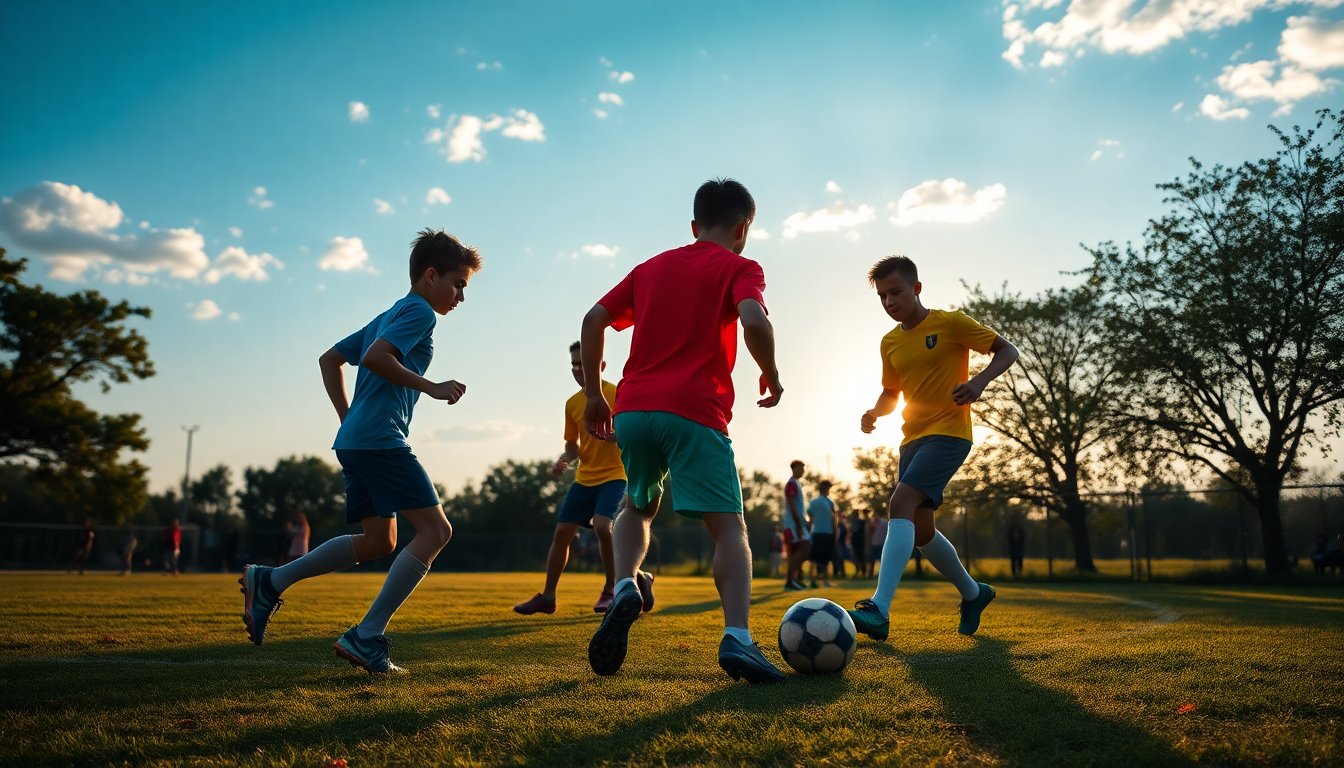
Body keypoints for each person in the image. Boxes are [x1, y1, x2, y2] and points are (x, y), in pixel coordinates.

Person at [238, 228, 480, 674]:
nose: (461, 296)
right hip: (380, 440)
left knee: (379, 541)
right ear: (431, 275)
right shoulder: (420, 313)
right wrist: (431, 386)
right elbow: (373, 360)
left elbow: (329, 358)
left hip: (356, 441)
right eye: (459, 283)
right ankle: (366, 637)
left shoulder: (386, 315)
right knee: (436, 531)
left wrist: (347, 418)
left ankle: (271, 580)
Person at [580, 178, 786, 684]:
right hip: (695, 411)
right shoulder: (741, 266)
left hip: (633, 411)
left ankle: (626, 583)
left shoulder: (650, 268)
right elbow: (754, 318)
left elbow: (593, 318)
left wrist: (592, 395)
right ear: (743, 230)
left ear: (694, 226)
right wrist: (772, 372)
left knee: (638, 505)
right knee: (729, 528)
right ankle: (737, 638)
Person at [847, 255, 1020, 642]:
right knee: (922, 531)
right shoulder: (889, 342)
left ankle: (879, 609)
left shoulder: (950, 322)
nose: (889, 301)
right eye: (882, 296)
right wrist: (875, 413)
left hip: (950, 434)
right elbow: (893, 393)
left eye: (896, 292)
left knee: (899, 504)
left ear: (916, 288)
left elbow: (1007, 351)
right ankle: (975, 594)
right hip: (911, 439)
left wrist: (980, 382)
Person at [514, 341, 653, 616]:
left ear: (600, 365)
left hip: (616, 476)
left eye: (584, 363)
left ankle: (612, 589)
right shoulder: (572, 404)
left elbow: (640, 428)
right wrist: (564, 460)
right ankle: (549, 597)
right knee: (562, 533)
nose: (579, 369)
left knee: (603, 525)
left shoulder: (619, 393)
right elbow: (572, 445)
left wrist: (620, 434)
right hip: (584, 479)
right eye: (574, 365)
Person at [781, 460, 812, 590]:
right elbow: (792, 504)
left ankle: (794, 578)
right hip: (792, 524)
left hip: (798, 523)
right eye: (801, 468)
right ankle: (790, 580)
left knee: (804, 548)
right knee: (798, 550)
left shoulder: (797, 483)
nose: (803, 471)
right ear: (794, 468)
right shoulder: (791, 484)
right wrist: (798, 523)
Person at [808, 480, 837, 587]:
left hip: (817, 533)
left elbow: (810, 518)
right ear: (826, 489)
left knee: (815, 558)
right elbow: (834, 520)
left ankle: (813, 580)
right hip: (826, 534)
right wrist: (835, 533)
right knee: (823, 558)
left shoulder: (813, 502)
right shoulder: (829, 503)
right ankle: (823, 581)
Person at [866, 509, 886, 579]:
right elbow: (870, 533)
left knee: (882, 561)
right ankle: (870, 574)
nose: (874, 516)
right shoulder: (872, 522)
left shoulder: (884, 522)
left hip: (882, 544)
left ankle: (881, 575)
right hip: (874, 544)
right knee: (872, 560)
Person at [850, 507, 869, 579]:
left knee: (861, 558)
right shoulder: (854, 523)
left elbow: (865, 533)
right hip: (855, 543)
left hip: (861, 543)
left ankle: (864, 573)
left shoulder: (862, 522)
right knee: (856, 558)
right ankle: (859, 571)